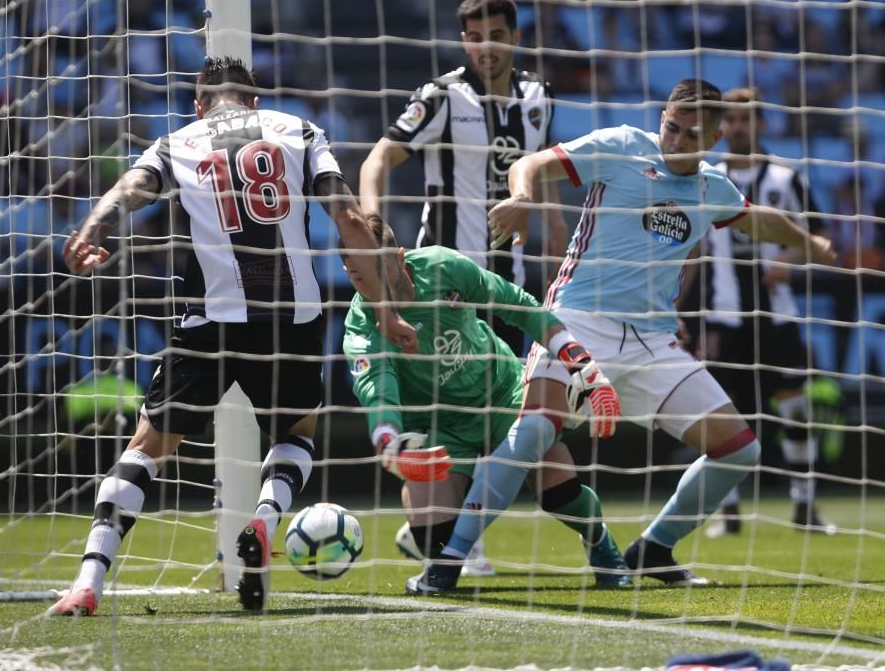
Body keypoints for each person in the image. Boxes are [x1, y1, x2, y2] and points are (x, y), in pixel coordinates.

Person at [410, 78, 836, 593]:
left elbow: (758, 221)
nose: (676, 141)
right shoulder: (621, 146)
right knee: (535, 432)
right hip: (577, 321)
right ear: (662, 117)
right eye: (671, 127)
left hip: (652, 341)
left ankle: (654, 548)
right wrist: (521, 195)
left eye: (690, 135)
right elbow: (533, 163)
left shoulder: (711, 188)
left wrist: (809, 240)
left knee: (740, 449)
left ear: (716, 138)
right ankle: (450, 559)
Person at [48, 57, 417, 616]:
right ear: (254, 100)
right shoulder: (298, 130)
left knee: (145, 450)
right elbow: (346, 216)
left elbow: (132, 187)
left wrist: (90, 231)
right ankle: (265, 520)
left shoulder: (180, 140)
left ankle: (87, 582)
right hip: (292, 316)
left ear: (200, 103)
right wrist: (384, 309)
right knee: (296, 433)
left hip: (207, 319)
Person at [342, 215, 629, 588]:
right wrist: (390, 443)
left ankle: (598, 539)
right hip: (438, 426)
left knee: (560, 493)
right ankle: (451, 518)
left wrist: (583, 365)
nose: (368, 282)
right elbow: (377, 391)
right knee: (433, 536)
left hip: (500, 394)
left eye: (375, 268)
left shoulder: (443, 265)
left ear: (400, 257)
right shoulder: (363, 326)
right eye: (355, 274)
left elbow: (518, 305)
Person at [359, 0, 568, 356]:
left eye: (496, 37)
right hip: (445, 281)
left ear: (516, 37)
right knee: (445, 404)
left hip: (508, 286)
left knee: (503, 403)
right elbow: (377, 160)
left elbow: (542, 166)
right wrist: (372, 226)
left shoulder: (539, 95)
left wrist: (556, 228)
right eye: (474, 39)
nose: (485, 48)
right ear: (463, 41)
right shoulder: (443, 96)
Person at [687, 87, 835, 536]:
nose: (737, 127)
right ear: (718, 127)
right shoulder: (705, 176)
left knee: (795, 410)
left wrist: (785, 263)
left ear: (762, 125)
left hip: (777, 318)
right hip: (723, 317)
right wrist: (676, 303)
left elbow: (818, 240)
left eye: (746, 119)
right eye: (729, 120)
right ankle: (728, 512)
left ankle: (805, 505)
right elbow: (692, 246)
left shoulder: (785, 178)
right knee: (722, 415)